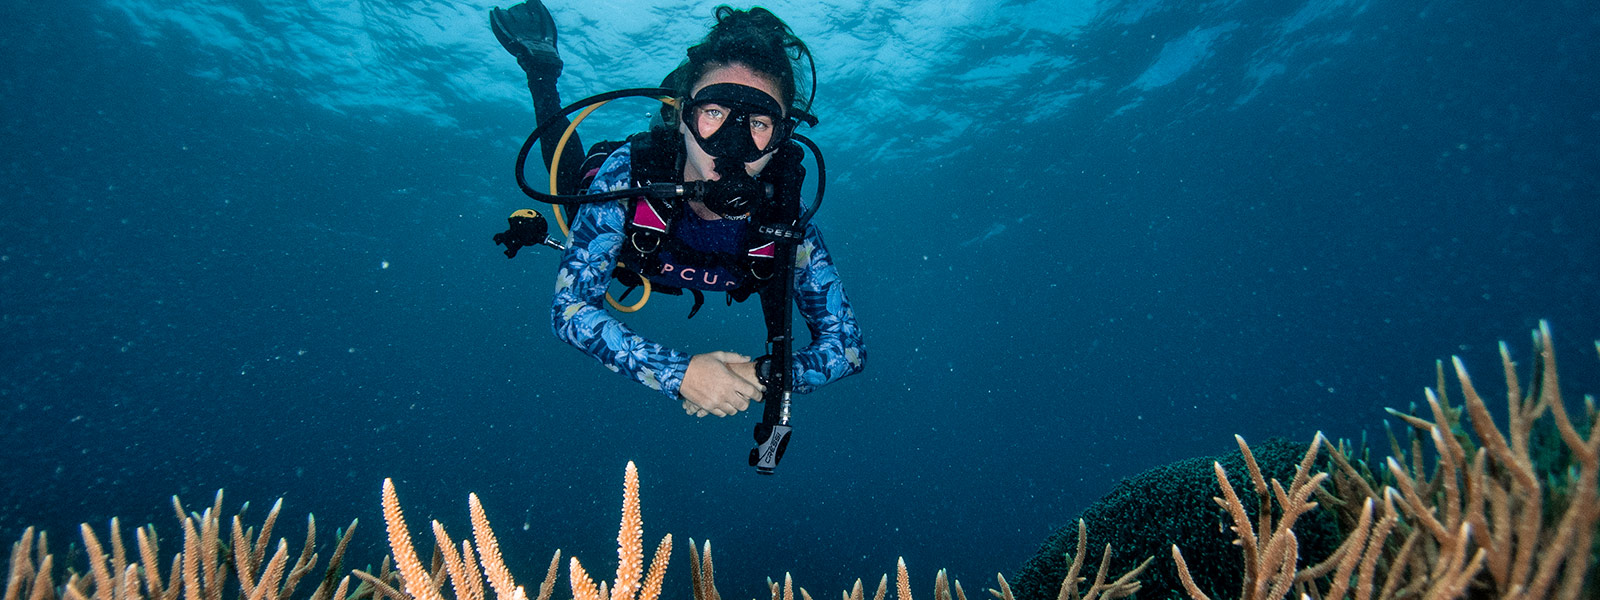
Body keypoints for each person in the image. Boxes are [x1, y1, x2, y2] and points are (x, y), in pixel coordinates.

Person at [491, 2, 865, 418]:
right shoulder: (630, 175)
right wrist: (681, 373)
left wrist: (761, 376)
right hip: (626, 232)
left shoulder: (784, 217)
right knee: (568, 177)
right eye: (715, 112)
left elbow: (847, 348)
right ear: (682, 118)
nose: (733, 145)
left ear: (781, 137)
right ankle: (541, 68)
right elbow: (571, 309)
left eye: (759, 123)